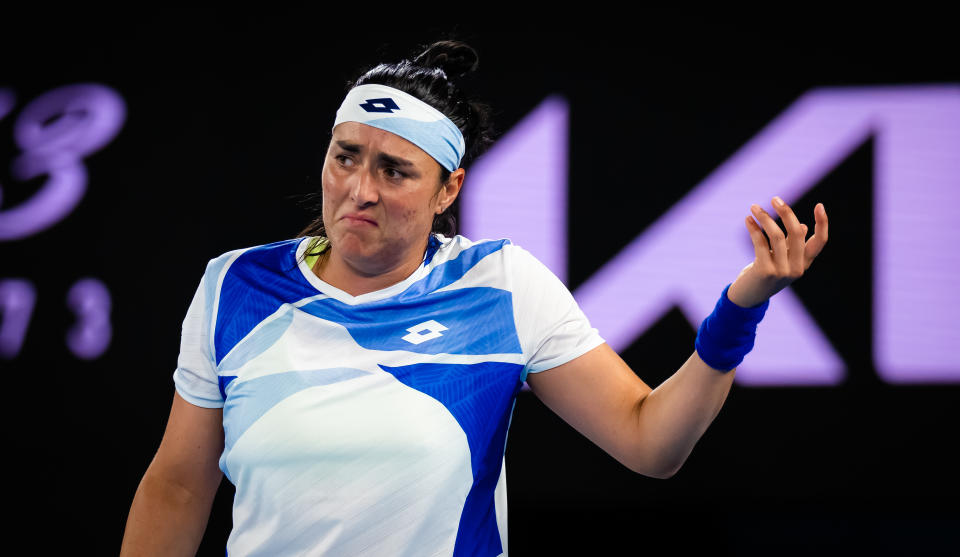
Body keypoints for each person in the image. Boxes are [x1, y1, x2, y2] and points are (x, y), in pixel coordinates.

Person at [119, 40, 829, 556]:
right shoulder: (233, 286)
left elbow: (651, 442)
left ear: (448, 188)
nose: (360, 190)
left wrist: (740, 310)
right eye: (346, 156)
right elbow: (177, 489)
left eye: (395, 170)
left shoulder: (501, 286)